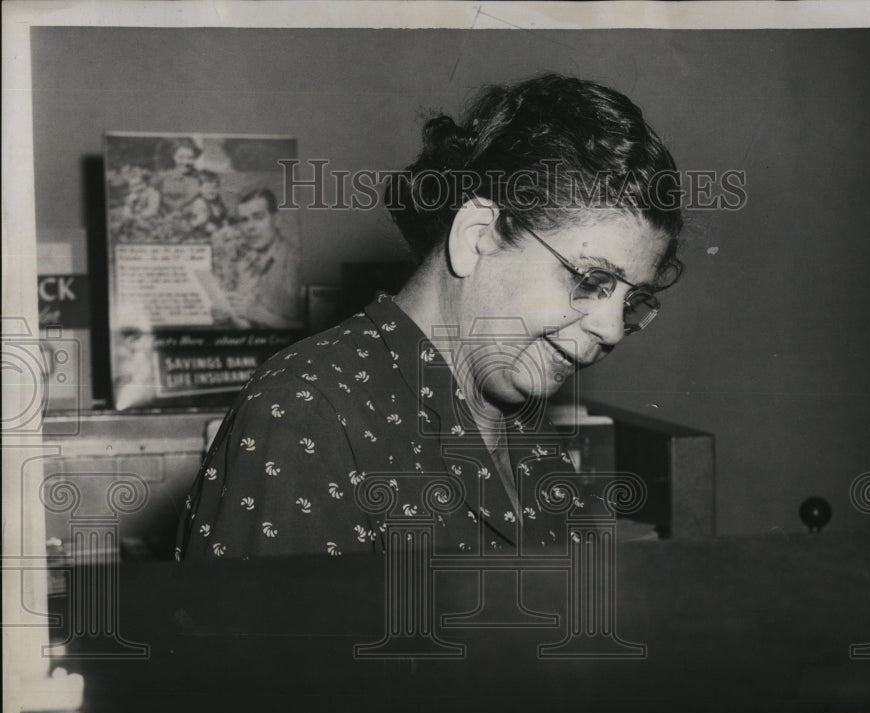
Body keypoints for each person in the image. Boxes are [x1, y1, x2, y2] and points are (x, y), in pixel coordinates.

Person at [176, 73, 683, 560]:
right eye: (591, 280)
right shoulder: (303, 413)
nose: (612, 328)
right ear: (476, 234)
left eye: (631, 299)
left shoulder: (516, 405)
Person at [218, 187, 302, 328]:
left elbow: (316, 329)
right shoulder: (241, 261)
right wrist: (225, 313)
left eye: (258, 217)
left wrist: (261, 316)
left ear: (276, 220)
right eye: (244, 220)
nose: (250, 227)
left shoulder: (298, 262)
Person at [181, 169, 228, 239]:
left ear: (219, 188)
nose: (211, 191)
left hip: (215, 230)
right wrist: (205, 225)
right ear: (200, 188)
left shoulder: (217, 200)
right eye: (207, 188)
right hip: (200, 233)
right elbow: (199, 221)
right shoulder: (200, 203)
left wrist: (225, 224)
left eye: (214, 187)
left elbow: (223, 215)